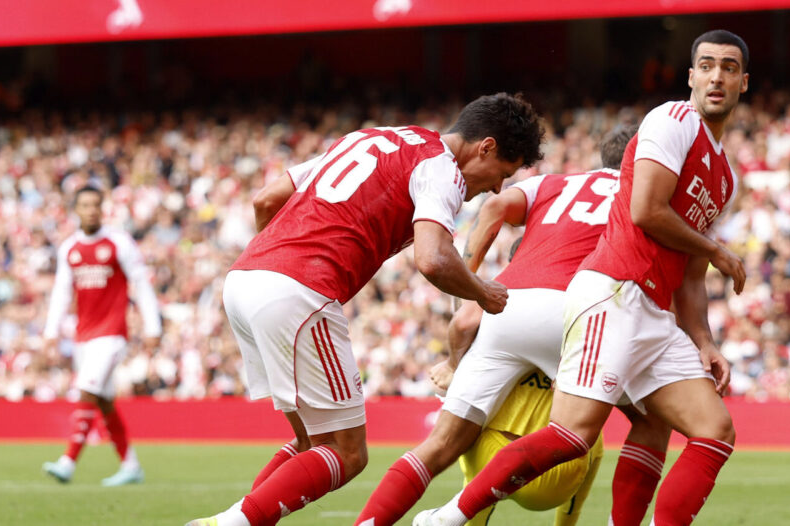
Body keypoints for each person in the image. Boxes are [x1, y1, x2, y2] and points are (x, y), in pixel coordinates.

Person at [414, 29, 749, 526]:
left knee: (714, 429)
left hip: (654, 311)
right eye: (706, 65)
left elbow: (692, 276)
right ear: (691, 77)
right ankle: (450, 516)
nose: (716, 76)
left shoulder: (726, 175)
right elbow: (646, 211)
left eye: (728, 67)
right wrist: (719, 250)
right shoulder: (672, 120)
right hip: (613, 292)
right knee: (573, 434)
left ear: (744, 81)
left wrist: (703, 340)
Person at [186, 93, 544, 526]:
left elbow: (267, 198)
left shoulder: (371, 137)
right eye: (502, 174)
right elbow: (432, 258)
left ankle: (243, 519)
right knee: (347, 453)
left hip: (245, 279)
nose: (496, 188)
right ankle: (229, 523)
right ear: (485, 146)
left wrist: (275, 265)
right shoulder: (441, 168)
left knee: (310, 444)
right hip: (298, 289)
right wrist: (483, 293)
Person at [355, 124, 671, 526]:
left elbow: (493, 208)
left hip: (509, 307)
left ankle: (369, 523)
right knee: (651, 420)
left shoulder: (553, 183)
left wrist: (469, 289)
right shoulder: (651, 198)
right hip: (580, 311)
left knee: (441, 443)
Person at [41, 185, 162, 486]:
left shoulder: (119, 242)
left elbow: (141, 284)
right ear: (76, 209)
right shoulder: (69, 248)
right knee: (104, 402)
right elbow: (61, 292)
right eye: (85, 204)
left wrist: (152, 326)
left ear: (103, 208)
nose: (91, 210)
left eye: (96, 204)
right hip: (84, 337)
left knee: (86, 390)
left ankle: (68, 461)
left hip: (112, 334)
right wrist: (51, 331)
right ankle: (131, 466)